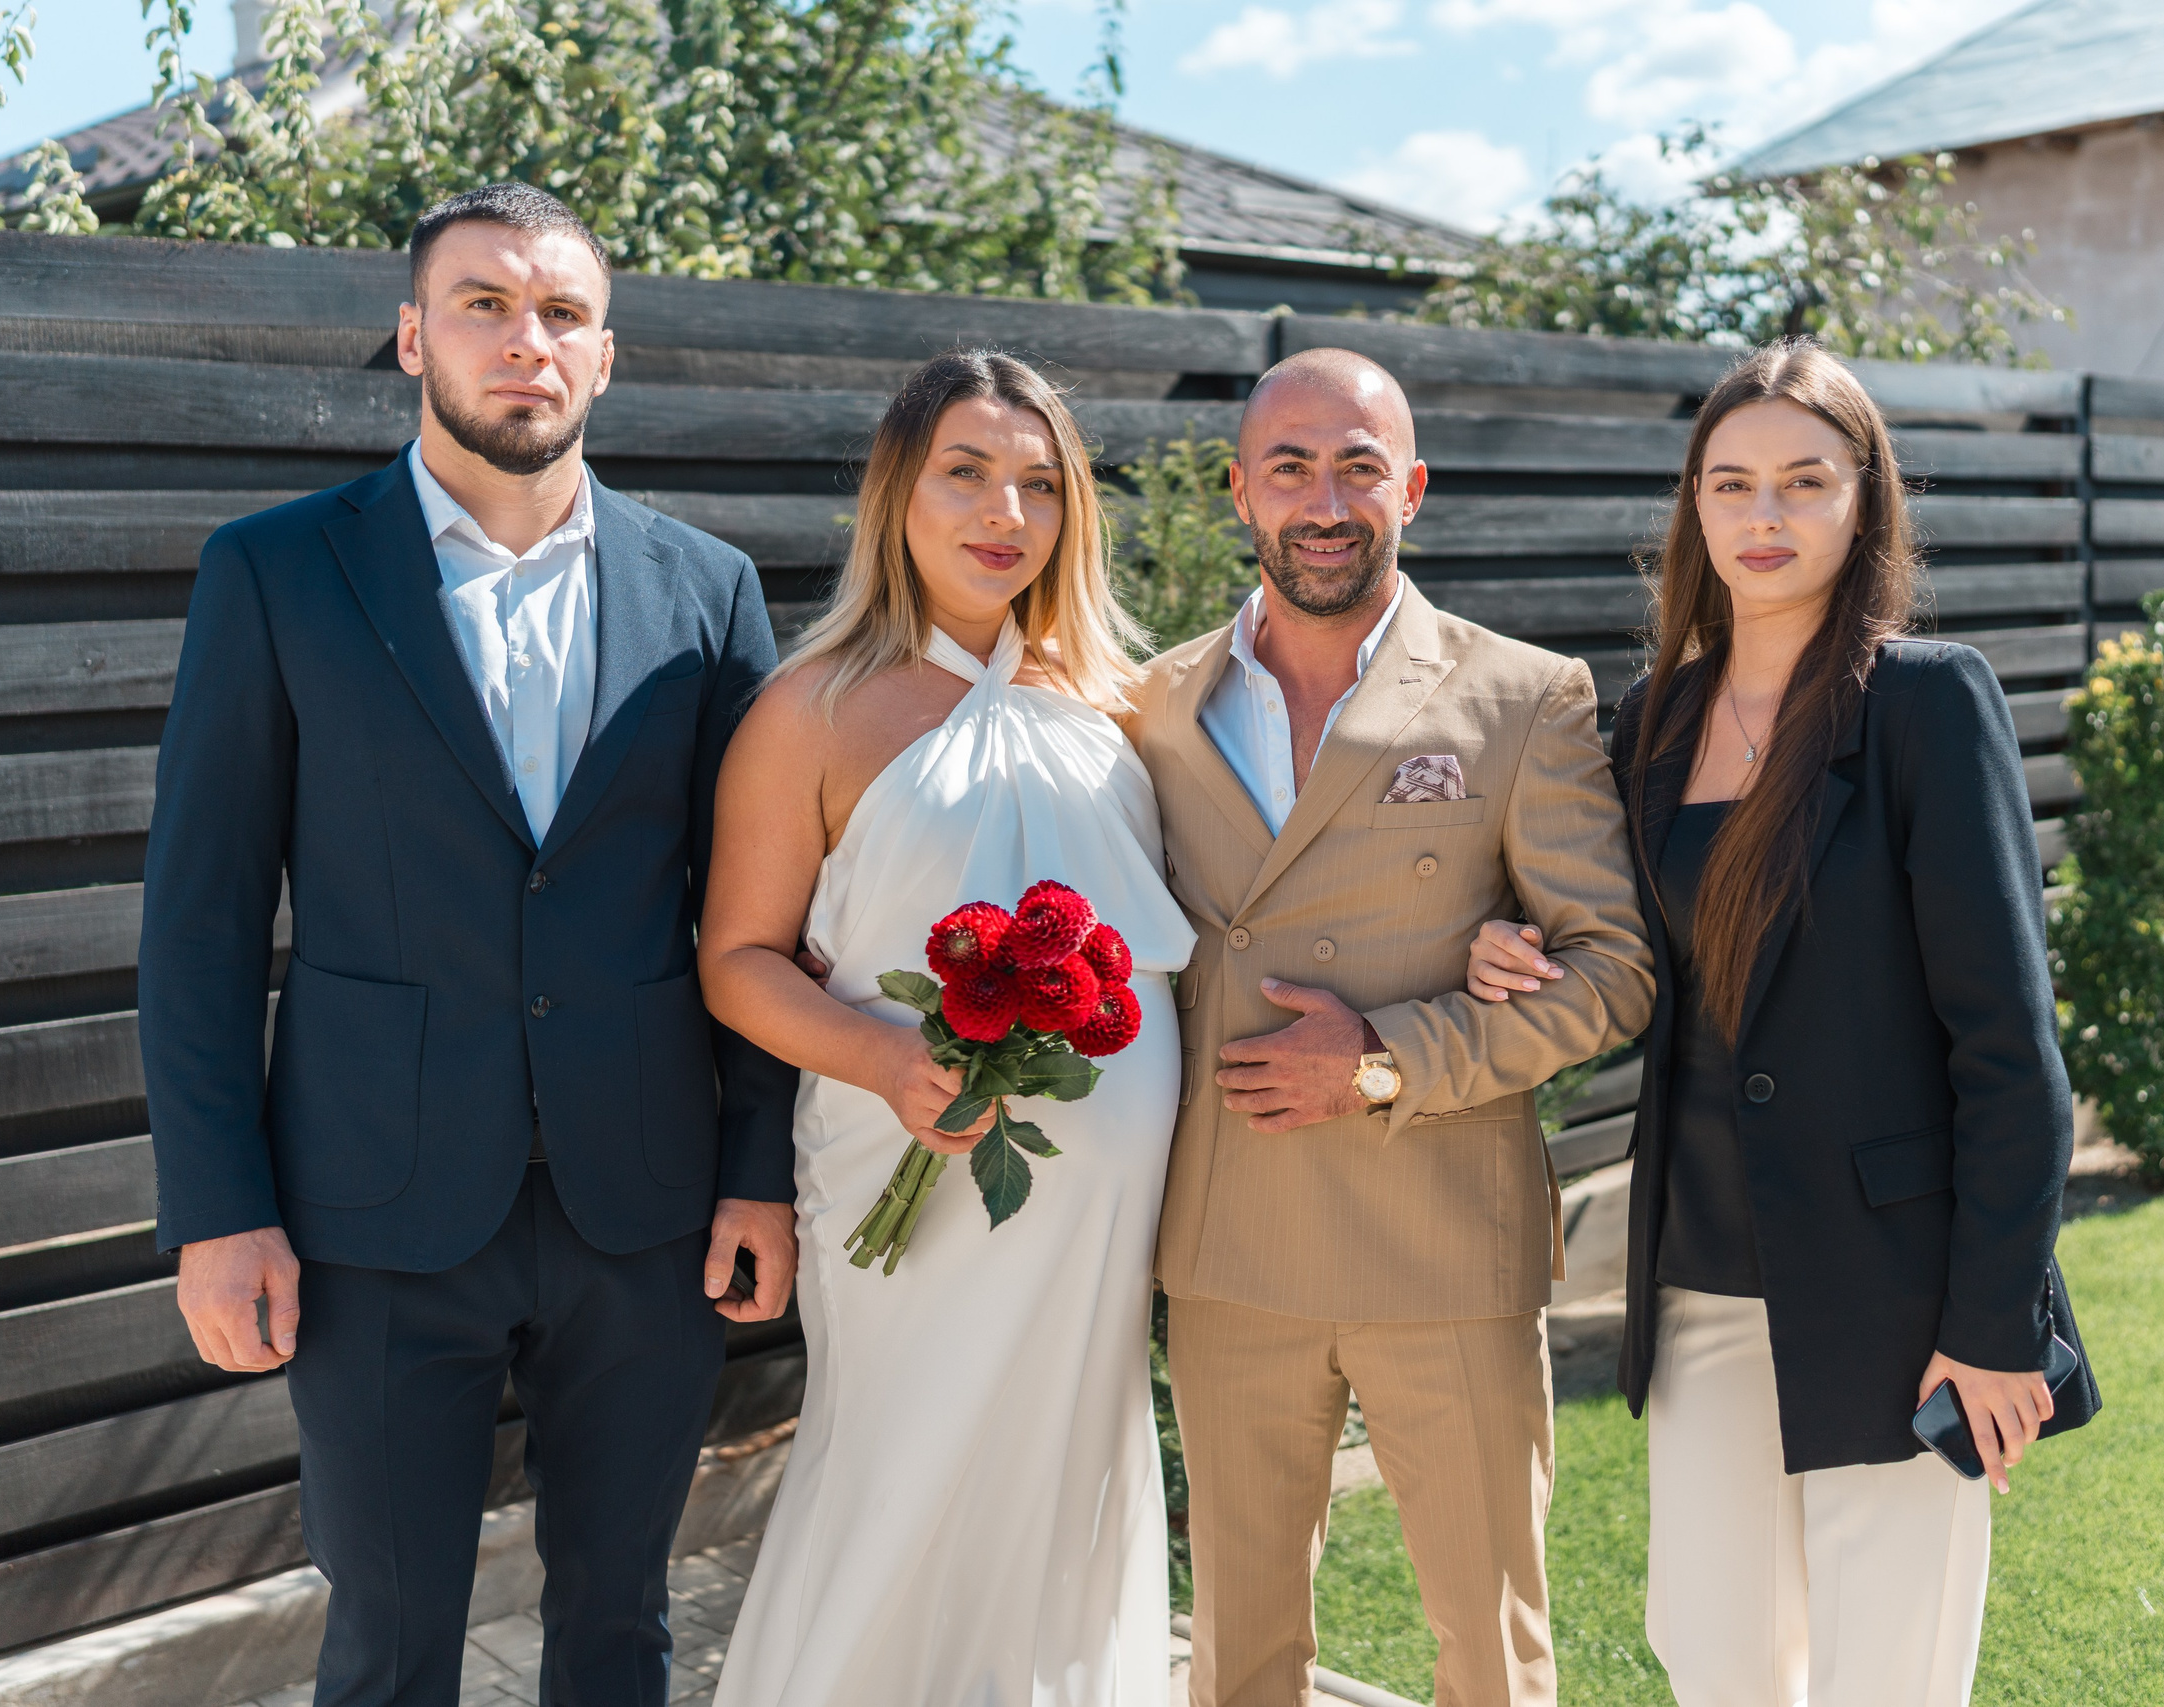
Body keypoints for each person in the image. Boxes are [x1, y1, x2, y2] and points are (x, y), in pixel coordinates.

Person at [138, 183, 800, 1707]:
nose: (526, 342)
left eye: (563, 313)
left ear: (606, 355)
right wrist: (218, 1210)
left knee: (622, 1629)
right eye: (484, 305)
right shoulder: (277, 571)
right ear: (411, 335)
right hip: (369, 1207)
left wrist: (757, 1163)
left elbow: (762, 918)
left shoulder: (707, 590)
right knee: (387, 1647)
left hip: (644, 1204)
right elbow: (201, 919)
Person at [1466, 339, 2100, 1706]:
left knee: (1888, 1676)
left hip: (1899, 1293)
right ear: (1694, 505)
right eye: (1733, 482)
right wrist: (1508, 943)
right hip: (1697, 1272)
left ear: (1864, 501)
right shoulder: (1649, 724)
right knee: (1716, 1659)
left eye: (1806, 481)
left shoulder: (1927, 703)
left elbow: (2011, 1052)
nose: (1766, 514)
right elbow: (1618, 954)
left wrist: (1993, 1323)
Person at [1124, 348, 1656, 1707]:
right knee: (1239, 1654)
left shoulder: (1522, 697)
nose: (1325, 501)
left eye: (1359, 467)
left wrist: (1378, 1060)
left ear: (1411, 488)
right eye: (1291, 467)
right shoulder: (1150, 706)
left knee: (1491, 1653)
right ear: (1240, 490)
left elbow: (1612, 974)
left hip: (1444, 1241)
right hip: (1232, 1239)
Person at [697, 349, 1195, 1706]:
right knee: (897, 1474)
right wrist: (884, 1058)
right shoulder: (810, 708)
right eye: (966, 473)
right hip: (901, 1174)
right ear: (896, 495)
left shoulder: (1117, 702)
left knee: (1065, 1477)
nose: (1005, 513)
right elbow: (736, 959)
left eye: (1041, 484)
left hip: (1103, 1212)